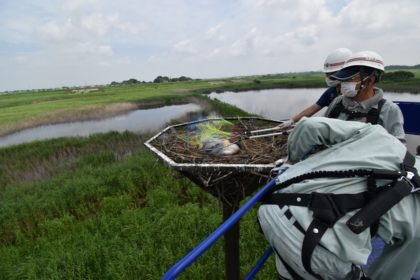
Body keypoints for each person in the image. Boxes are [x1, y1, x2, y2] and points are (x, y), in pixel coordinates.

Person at [258, 117, 420, 280]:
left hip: (271, 206)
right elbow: (394, 271)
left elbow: (309, 126)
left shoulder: (380, 135)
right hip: (313, 245)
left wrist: (292, 161)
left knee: (292, 263)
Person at [325, 50, 405, 142]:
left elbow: (399, 146)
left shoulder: (388, 109)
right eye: (343, 79)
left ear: (370, 80)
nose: (344, 84)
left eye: (351, 79)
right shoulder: (337, 102)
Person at [278, 48, 352, 129]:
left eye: (331, 73)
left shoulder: (355, 91)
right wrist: (292, 121)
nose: (328, 77)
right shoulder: (331, 92)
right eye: (326, 74)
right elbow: (313, 108)